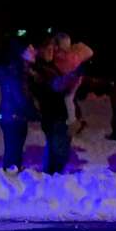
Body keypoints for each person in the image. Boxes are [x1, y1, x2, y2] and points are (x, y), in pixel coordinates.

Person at [33, 38, 83, 174]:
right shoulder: (41, 68)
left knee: (54, 150)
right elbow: (56, 85)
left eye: (53, 49)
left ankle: (50, 179)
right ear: (41, 50)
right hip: (54, 116)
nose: (52, 52)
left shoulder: (50, 67)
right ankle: (54, 179)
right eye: (48, 49)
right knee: (59, 153)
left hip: (56, 115)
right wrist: (74, 75)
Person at [0, 38, 40, 171]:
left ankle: (13, 172)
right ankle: (11, 175)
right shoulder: (17, 72)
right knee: (13, 149)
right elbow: (20, 97)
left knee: (14, 148)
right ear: (22, 54)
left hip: (12, 115)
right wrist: (33, 113)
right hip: (13, 116)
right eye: (29, 50)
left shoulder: (19, 70)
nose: (34, 52)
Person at [51, 32, 94, 136]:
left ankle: (72, 121)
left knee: (68, 99)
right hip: (72, 80)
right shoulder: (73, 54)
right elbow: (89, 52)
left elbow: (89, 52)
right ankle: (74, 121)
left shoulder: (66, 56)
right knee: (70, 99)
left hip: (71, 81)